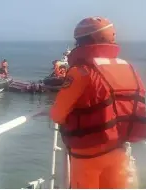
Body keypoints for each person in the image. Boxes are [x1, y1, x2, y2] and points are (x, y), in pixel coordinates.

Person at [49, 16, 146, 189]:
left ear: (82, 41)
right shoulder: (128, 67)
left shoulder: (81, 72)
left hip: (87, 155)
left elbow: (57, 114)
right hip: (119, 149)